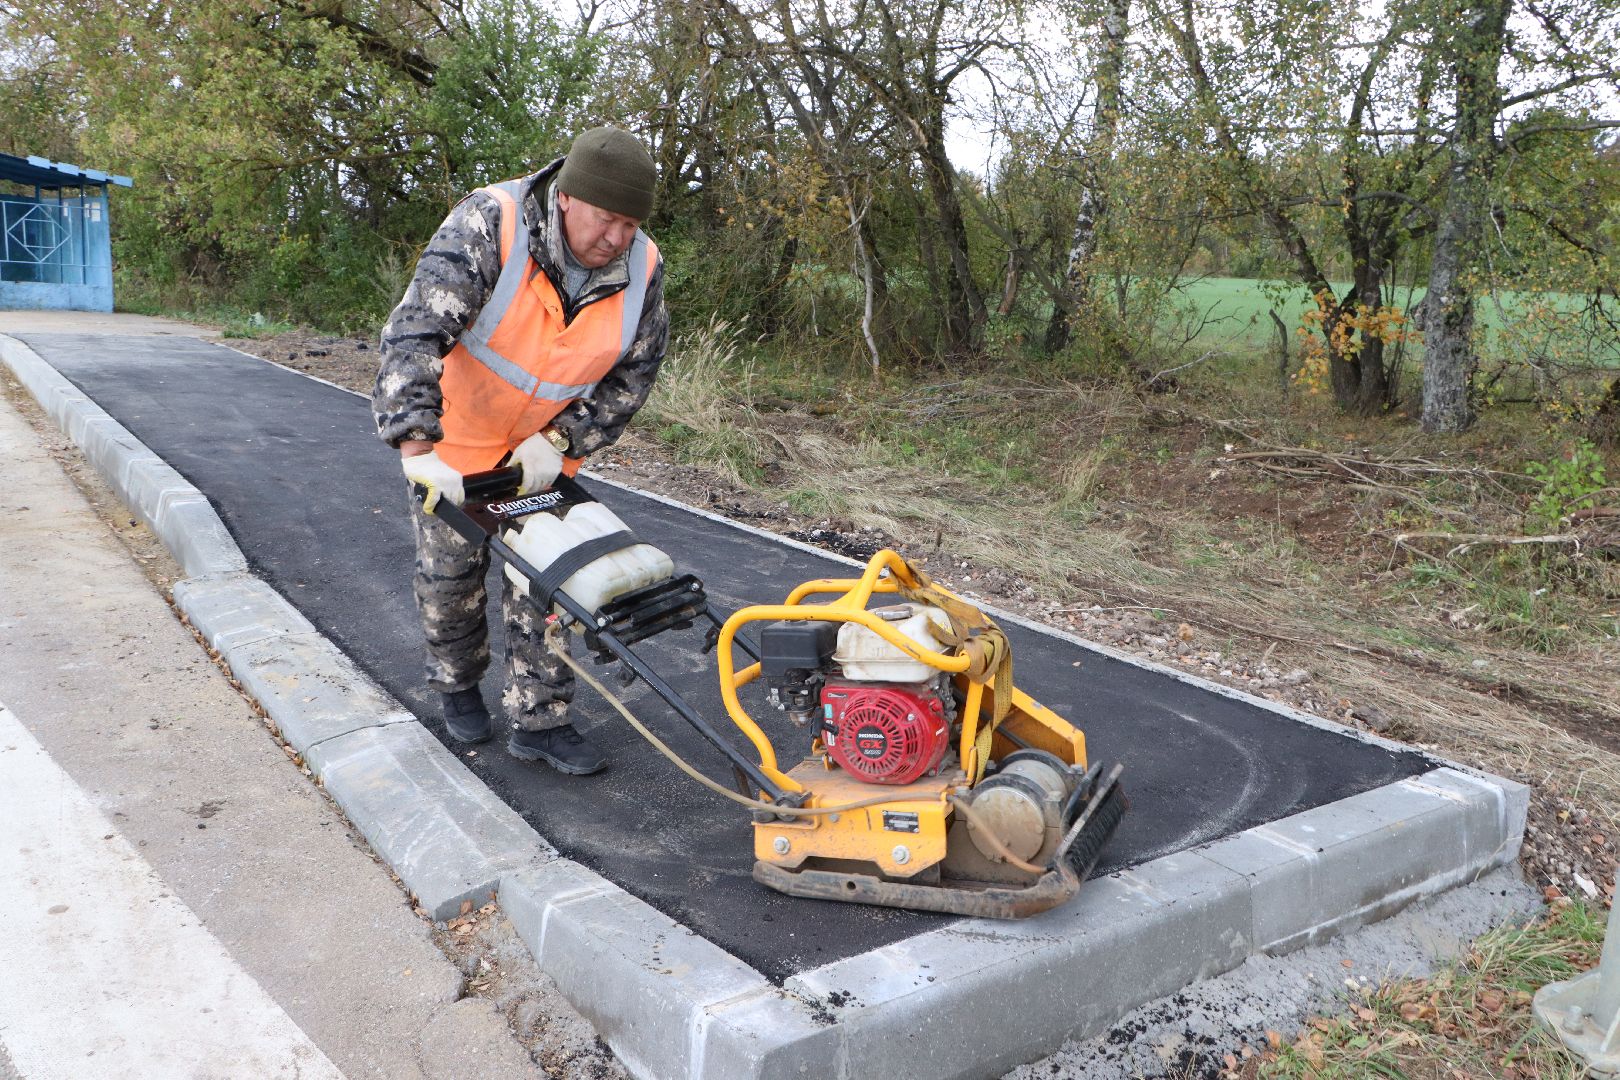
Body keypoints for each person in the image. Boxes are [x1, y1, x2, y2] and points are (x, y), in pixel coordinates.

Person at [371, 126, 667, 776]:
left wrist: (562, 441)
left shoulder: (642, 271)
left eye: (631, 224)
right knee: (451, 584)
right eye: (606, 219)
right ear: (566, 198)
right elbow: (414, 332)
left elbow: (633, 378)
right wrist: (417, 444)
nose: (617, 237)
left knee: (548, 584)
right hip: (453, 446)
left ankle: (541, 718)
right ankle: (456, 683)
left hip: (538, 455)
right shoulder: (489, 225)